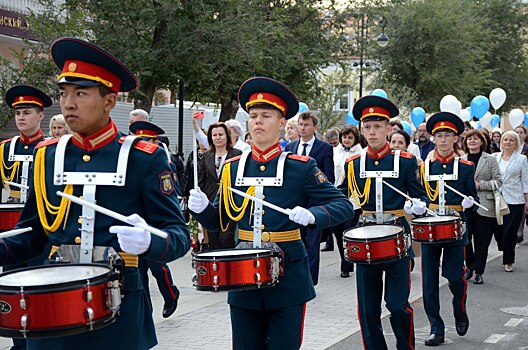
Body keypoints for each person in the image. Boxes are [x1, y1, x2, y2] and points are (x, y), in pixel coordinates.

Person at [1, 37, 190, 349]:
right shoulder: (47, 155)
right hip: (53, 306)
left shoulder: (144, 157)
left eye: (80, 93)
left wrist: (151, 240)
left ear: (109, 101)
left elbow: (178, 233)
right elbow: (34, 232)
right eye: (63, 93)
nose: (68, 103)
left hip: (118, 305)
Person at [188, 76, 355, 349]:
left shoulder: (300, 166)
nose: (258, 121)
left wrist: (314, 215)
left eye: (266, 115)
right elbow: (220, 220)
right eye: (253, 116)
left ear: (281, 123)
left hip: (288, 276)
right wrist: (202, 210)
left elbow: (343, 205)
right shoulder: (232, 168)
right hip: (242, 274)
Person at [338, 95, 428, 350]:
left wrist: (418, 205)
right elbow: (341, 195)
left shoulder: (406, 161)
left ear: (389, 129)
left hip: (397, 236)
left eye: (378, 126)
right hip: (365, 237)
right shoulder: (353, 163)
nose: (372, 132)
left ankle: (404, 346)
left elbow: (419, 195)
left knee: (398, 304)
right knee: (367, 308)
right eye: (367, 127)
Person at [0, 85, 52, 350]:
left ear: (41, 115)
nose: (21, 117)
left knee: (40, 292)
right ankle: (19, 344)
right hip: (10, 233)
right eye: (18, 112)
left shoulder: (51, 149)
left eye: (27, 112)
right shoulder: (3, 149)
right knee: (11, 289)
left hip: (41, 232)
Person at [420, 112, 478, 346]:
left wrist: (469, 203)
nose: (443, 140)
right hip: (430, 226)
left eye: (448, 135)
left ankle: (459, 309)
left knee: (454, 276)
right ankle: (436, 327)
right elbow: (420, 194)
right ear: (433, 139)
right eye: (439, 136)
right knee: (429, 282)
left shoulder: (465, 167)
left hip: (455, 226)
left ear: (455, 139)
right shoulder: (424, 167)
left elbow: (473, 199)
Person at [129, 120, 182, 319]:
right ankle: (146, 313)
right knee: (138, 271)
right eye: (140, 139)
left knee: (157, 265)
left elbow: (168, 191)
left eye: (149, 140)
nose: (144, 143)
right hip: (134, 222)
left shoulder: (161, 161)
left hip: (154, 222)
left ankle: (171, 294)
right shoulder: (127, 161)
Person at [285, 110, 335, 285]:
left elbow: (328, 176)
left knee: (313, 244)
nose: (302, 128)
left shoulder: (324, 148)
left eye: (306, 125)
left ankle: (311, 281)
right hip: (295, 203)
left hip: (314, 203)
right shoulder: (290, 147)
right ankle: (298, 276)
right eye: (300, 124)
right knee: (297, 241)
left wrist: (323, 200)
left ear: (314, 127)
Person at [462, 129, 501, 285]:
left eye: (476, 138)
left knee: (482, 240)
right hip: (465, 205)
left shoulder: (490, 159)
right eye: (469, 138)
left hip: (485, 205)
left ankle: (479, 271)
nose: (472, 141)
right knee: (465, 238)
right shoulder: (461, 159)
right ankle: (470, 265)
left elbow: (498, 182)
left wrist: (480, 185)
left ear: (482, 142)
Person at [198, 122, 242, 249]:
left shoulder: (237, 154)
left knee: (227, 237)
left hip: (231, 203)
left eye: (221, 134)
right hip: (211, 201)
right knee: (213, 238)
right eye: (214, 135)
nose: (218, 137)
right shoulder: (206, 156)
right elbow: (202, 180)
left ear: (227, 136)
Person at [492, 131, 528, 272]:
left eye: (511, 140)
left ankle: (508, 260)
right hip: (497, 198)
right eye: (505, 139)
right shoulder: (494, 157)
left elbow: (525, 180)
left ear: (516, 144)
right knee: (498, 231)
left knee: (509, 232)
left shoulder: (521, 159)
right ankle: (503, 247)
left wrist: (526, 200)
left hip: (515, 199)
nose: (507, 142)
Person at [331, 125, 362, 277]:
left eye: (350, 137)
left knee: (348, 231)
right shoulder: (335, 151)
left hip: (353, 201)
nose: (347, 140)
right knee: (337, 232)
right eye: (344, 137)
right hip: (336, 198)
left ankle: (347, 266)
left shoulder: (360, 153)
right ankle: (344, 258)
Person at [514, 125, 528, 243]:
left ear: (525, 134)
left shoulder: (526, 149)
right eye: (517, 132)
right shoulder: (511, 148)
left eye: (521, 132)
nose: (519, 134)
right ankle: (519, 230)